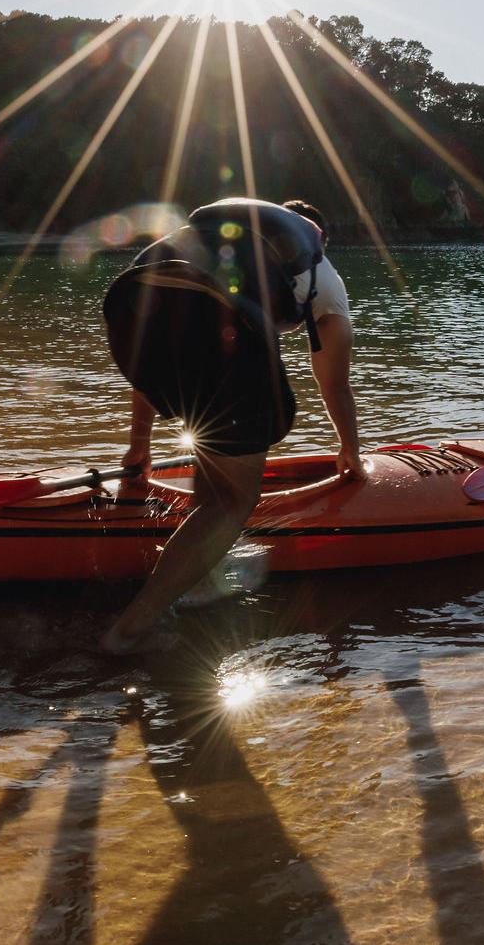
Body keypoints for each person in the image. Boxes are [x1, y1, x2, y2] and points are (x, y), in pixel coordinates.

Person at [98, 197, 361, 653]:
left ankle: (202, 580)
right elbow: (333, 384)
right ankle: (130, 630)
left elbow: (154, 357)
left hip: (130, 306)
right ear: (318, 239)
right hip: (217, 330)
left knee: (215, 462)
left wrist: (139, 446)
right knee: (236, 500)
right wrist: (351, 452)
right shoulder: (324, 276)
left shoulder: (213, 239)